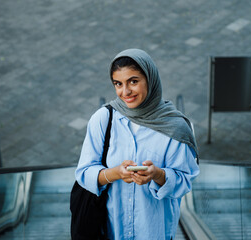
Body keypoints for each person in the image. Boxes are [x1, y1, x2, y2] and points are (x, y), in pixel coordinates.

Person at [75, 49, 200, 240]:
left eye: (133, 81)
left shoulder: (176, 127)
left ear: (150, 79)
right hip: (110, 231)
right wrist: (115, 173)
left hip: (154, 233)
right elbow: (84, 173)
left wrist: (158, 175)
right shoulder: (103, 118)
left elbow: (185, 182)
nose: (125, 92)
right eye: (118, 84)